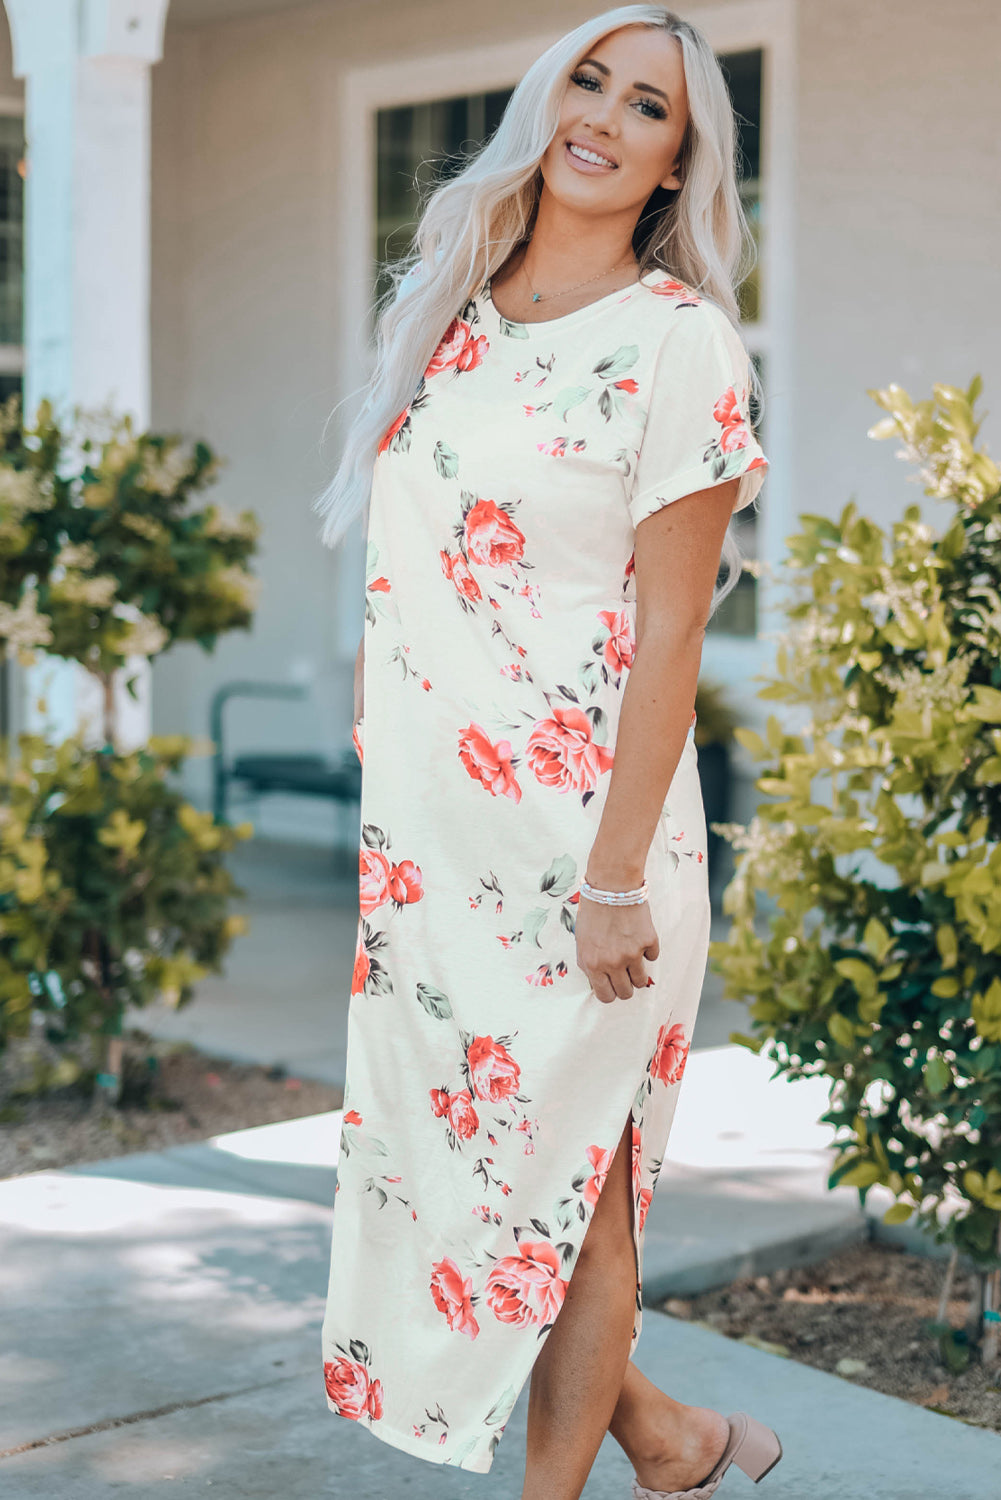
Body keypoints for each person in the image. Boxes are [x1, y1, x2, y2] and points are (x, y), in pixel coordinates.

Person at [314, 7, 782, 1498]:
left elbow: (672, 632)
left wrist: (614, 877)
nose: (604, 117)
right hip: (437, 839)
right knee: (473, 1183)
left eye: (648, 107)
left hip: (591, 841)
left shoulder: (678, 342)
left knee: (575, 1191)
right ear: (547, 95)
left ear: (675, 164)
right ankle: (672, 1438)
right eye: (590, 80)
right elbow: (419, 552)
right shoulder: (454, 299)